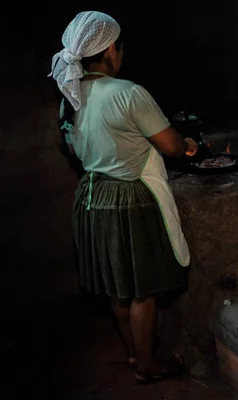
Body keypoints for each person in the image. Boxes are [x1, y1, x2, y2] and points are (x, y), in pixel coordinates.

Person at [49, 11, 197, 383]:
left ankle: (134, 353)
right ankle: (148, 367)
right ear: (111, 49)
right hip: (129, 199)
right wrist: (190, 145)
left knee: (116, 287)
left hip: (91, 195)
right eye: (120, 49)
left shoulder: (68, 94)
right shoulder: (128, 92)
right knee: (142, 292)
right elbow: (170, 144)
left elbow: (71, 148)